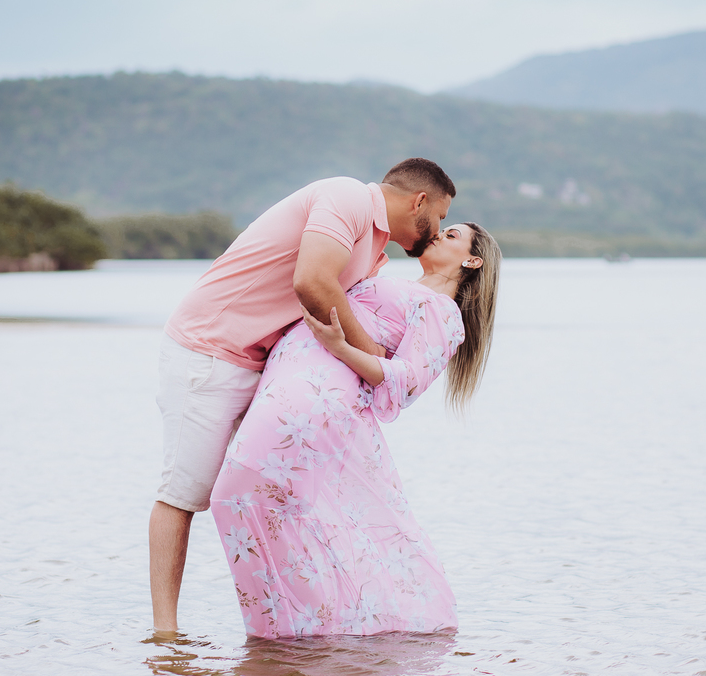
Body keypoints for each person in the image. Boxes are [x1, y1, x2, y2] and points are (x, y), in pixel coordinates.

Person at [151, 158, 457, 635]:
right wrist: (371, 351)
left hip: (262, 366)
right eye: (440, 217)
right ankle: (165, 634)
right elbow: (313, 283)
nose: (437, 230)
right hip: (210, 349)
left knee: (273, 494)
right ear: (420, 201)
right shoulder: (348, 198)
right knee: (185, 494)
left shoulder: (376, 256)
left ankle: (295, 630)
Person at [210, 222, 500, 637]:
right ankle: (299, 633)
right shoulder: (395, 283)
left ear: (472, 260)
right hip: (291, 390)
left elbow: (406, 381)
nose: (438, 233)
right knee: (269, 508)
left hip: (316, 399)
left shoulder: (441, 310)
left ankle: (294, 634)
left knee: (236, 499)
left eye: (452, 235)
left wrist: (340, 348)